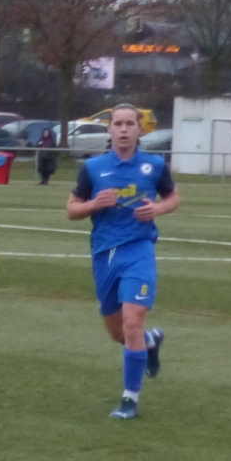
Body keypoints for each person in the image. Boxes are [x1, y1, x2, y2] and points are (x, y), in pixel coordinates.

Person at [67, 104, 175, 419]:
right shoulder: (93, 168)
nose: (124, 129)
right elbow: (72, 210)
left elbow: (173, 198)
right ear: (110, 129)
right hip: (104, 254)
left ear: (140, 129)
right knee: (119, 333)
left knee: (132, 323)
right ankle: (150, 342)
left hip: (139, 250)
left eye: (130, 123)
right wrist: (93, 204)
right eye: (118, 124)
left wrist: (157, 209)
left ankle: (129, 400)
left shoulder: (155, 165)